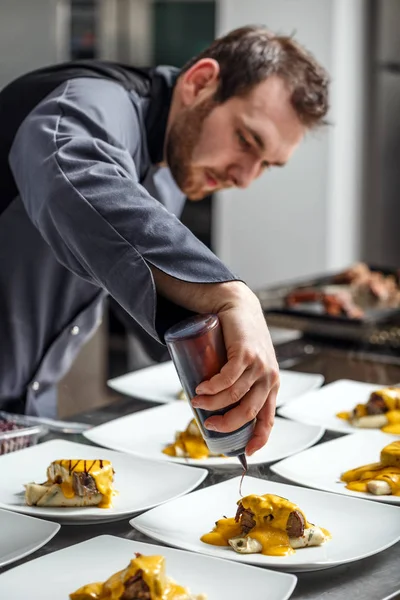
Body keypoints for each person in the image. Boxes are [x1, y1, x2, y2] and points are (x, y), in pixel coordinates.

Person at [0, 26, 329, 456]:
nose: (244, 177)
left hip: (23, 421)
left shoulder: (171, 175)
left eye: (266, 164)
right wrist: (232, 295)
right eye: (246, 141)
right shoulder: (87, 102)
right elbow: (72, 172)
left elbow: (139, 281)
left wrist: (221, 383)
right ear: (199, 82)